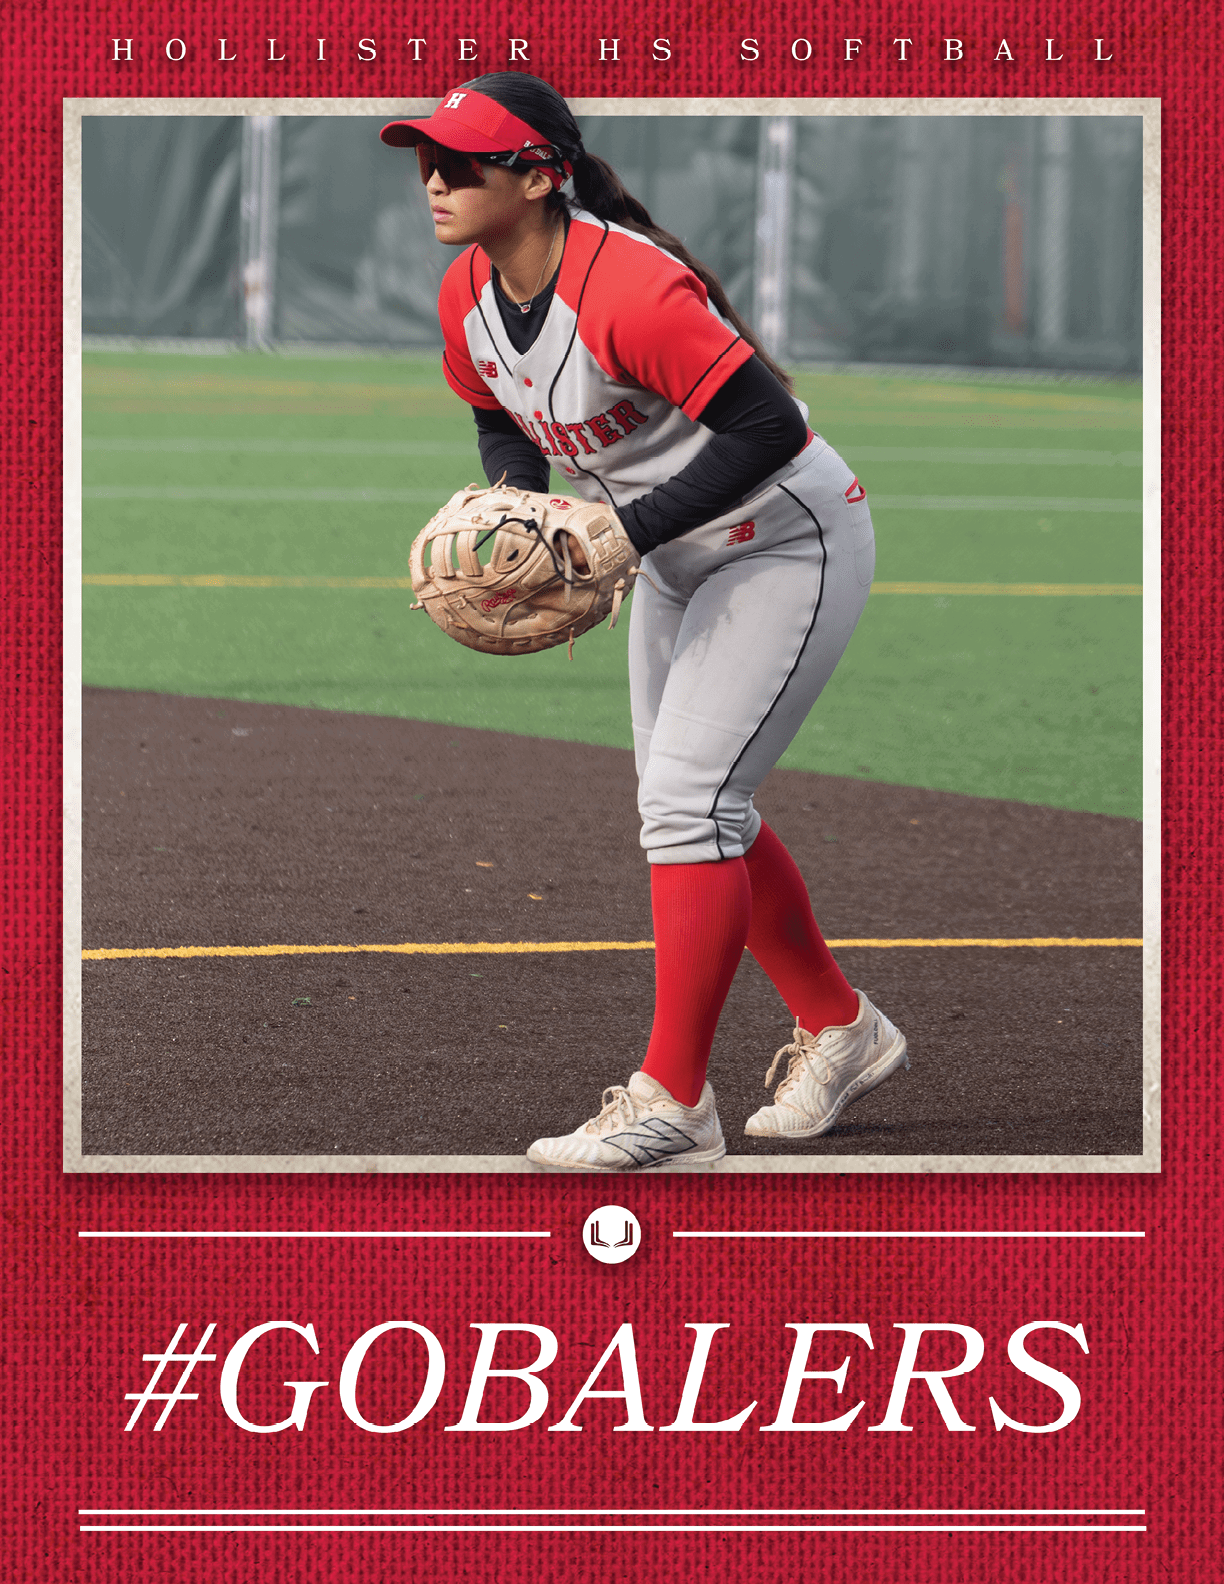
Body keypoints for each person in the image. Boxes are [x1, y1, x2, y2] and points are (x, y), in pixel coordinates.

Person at [380, 75, 909, 1171]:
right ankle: (844, 1028)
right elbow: (497, 414)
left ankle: (675, 1104)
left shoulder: (630, 288)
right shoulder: (466, 295)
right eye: (425, 159)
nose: (435, 180)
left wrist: (624, 531)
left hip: (787, 542)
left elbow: (767, 425)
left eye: (463, 162)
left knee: (689, 803)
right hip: (671, 553)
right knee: (693, 805)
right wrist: (522, 505)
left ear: (539, 176)